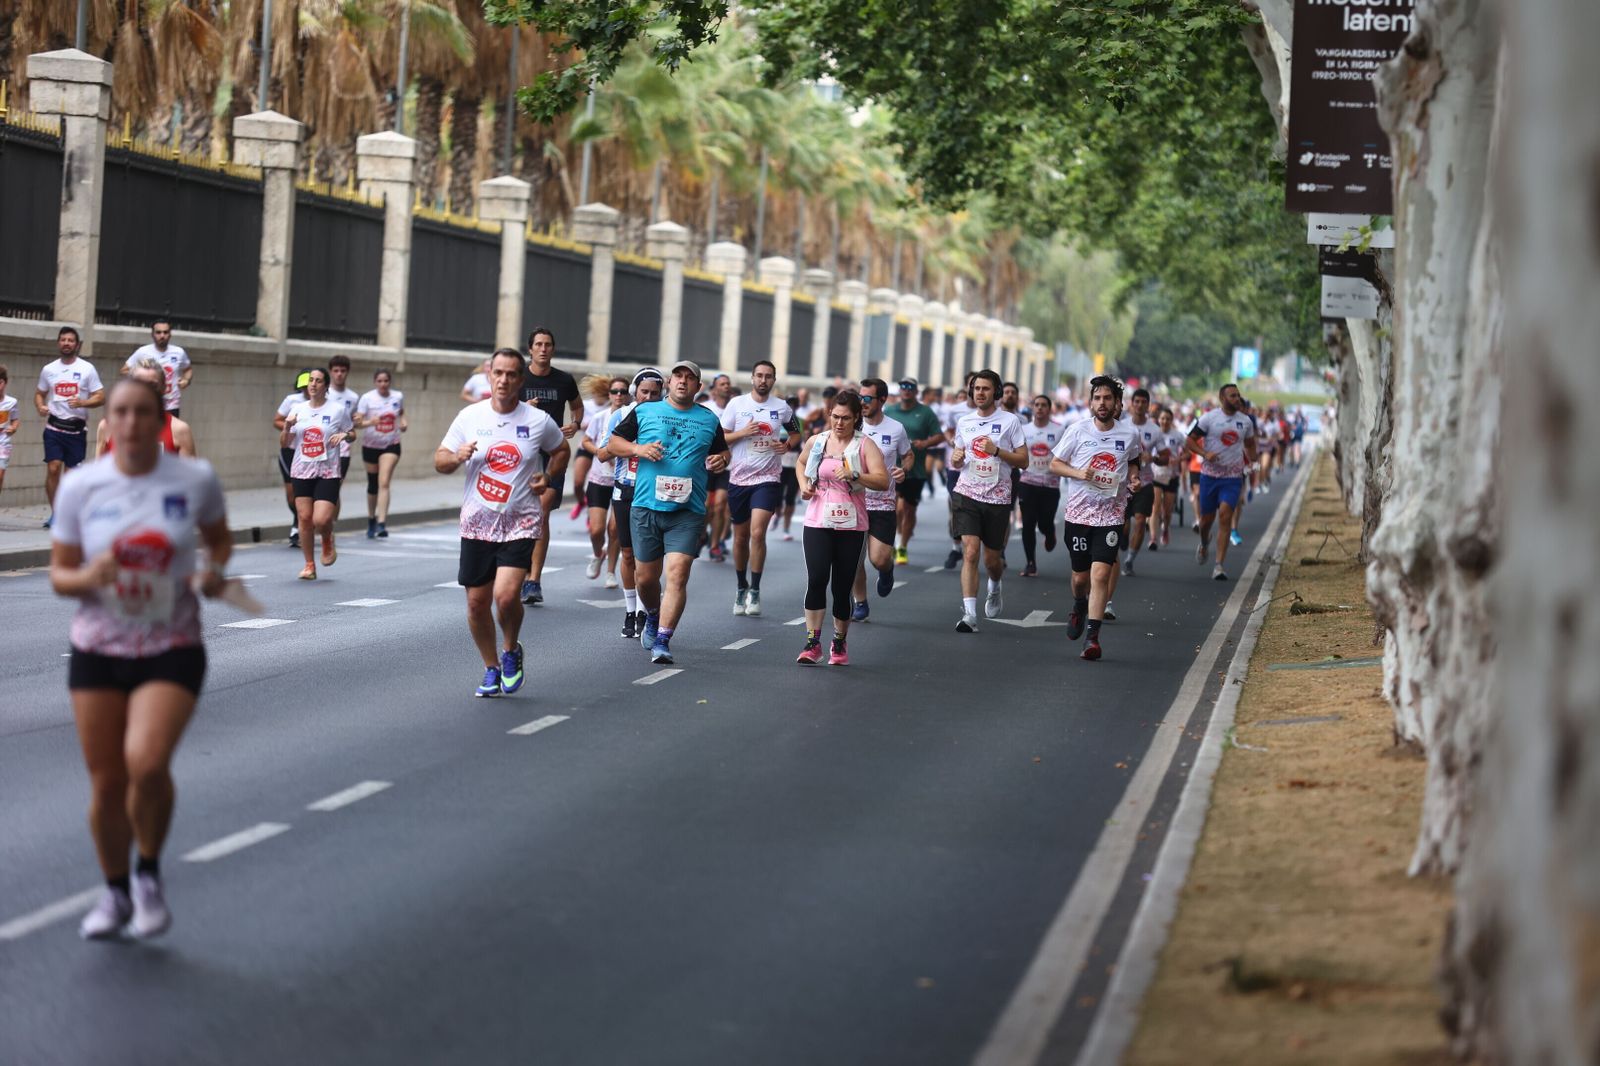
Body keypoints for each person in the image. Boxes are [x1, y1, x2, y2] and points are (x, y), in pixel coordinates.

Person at [50, 374, 232, 939]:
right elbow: (60, 574)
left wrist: (213, 573)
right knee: (106, 783)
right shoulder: (83, 486)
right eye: (120, 413)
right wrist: (89, 575)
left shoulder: (194, 478)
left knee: (146, 764)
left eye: (141, 413)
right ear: (109, 424)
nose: (129, 423)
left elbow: (220, 540)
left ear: (161, 422)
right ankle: (115, 893)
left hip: (171, 644)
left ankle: (148, 876)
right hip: (98, 646)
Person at [435, 348, 568, 696]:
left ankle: (511, 650)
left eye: (511, 374)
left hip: (520, 521)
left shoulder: (537, 421)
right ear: (489, 375)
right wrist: (456, 456)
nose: (504, 380)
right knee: (477, 603)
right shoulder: (469, 416)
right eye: (499, 373)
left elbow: (561, 450)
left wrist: (549, 478)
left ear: (520, 380)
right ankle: (491, 666)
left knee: (507, 596)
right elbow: (440, 459)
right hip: (477, 522)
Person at [603, 360, 731, 665]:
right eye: (678, 376)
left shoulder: (708, 419)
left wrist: (721, 460)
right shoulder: (645, 410)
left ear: (699, 387)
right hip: (646, 505)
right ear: (669, 382)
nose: (683, 382)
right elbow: (614, 443)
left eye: (690, 378)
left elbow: (722, 451)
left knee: (677, 574)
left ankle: (663, 638)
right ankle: (654, 614)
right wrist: (638, 449)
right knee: (646, 579)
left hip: (687, 511)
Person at [1049, 375, 1143, 660]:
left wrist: (1135, 479)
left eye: (1107, 398)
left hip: (1112, 515)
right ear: (1090, 403)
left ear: (1116, 404)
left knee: (1100, 574)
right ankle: (1079, 604)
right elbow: (1054, 464)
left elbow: (1134, 461)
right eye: (1097, 398)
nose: (1102, 403)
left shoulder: (1129, 435)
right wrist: (1079, 473)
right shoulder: (1077, 431)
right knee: (1080, 578)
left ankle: (1092, 637)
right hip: (1079, 514)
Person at [796, 390, 890, 664]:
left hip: (851, 524)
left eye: (846, 418)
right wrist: (804, 485)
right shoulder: (818, 441)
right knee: (816, 579)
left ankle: (839, 642)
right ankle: (813, 643)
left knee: (841, 586)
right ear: (829, 415)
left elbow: (883, 481)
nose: (839, 423)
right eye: (835, 417)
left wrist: (856, 474)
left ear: (856, 418)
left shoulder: (865, 445)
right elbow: (801, 463)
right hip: (817, 520)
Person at [948, 369, 1027, 632]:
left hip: (997, 497)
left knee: (992, 560)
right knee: (970, 552)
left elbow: (1023, 461)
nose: (980, 393)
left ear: (996, 392)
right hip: (967, 493)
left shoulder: (1010, 421)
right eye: (976, 388)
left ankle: (995, 585)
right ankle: (970, 615)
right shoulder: (965, 422)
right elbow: (958, 457)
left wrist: (998, 451)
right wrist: (957, 460)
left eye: (985, 388)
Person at [720, 360, 799, 618]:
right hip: (739, 479)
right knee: (740, 537)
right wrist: (743, 432)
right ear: (752, 378)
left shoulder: (781, 407)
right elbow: (721, 438)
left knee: (757, 533)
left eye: (768, 377)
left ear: (773, 380)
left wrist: (786, 446)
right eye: (759, 376)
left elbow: (796, 432)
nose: (763, 380)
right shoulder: (737, 405)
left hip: (767, 479)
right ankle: (741, 586)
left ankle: (755, 589)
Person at [597, 368, 664, 639]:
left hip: (655, 493)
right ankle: (630, 611)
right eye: (644, 392)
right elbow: (603, 452)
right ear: (635, 391)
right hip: (625, 490)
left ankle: (647, 613)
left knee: (647, 559)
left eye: (654, 393)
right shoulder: (621, 415)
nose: (648, 397)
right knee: (627, 554)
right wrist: (633, 446)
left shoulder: (666, 414)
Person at [517, 328, 582, 605]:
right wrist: (523, 406)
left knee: (541, 513)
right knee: (523, 515)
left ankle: (533, 581)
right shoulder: (519, 377)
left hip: (554, 452)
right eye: (538, 345)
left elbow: (577, 407)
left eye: (548, 345)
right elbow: (500, 407)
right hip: (524, 453)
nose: (543, 349)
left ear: (553, 349)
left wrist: (575, 424)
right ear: (530, 349)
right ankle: (518, 573)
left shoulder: (564, 380)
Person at [280, 367, 354, 580]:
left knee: (320, 519)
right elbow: (286, 443)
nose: (313, 384)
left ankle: (327, 537)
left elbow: (352, 433)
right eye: (311, 380)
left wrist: (344, 436)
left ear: (326, 385)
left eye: (318, 381)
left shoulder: (338, 410)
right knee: (304, 518)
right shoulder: (298, 409)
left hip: (328, 469)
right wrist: (286, 427)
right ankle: (309, 565)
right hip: (302, 469)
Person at [849, 379, 911, 621]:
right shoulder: (851, 426)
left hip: (883, 502)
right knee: (854, 558)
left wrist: (903, 469)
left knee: (879, 558)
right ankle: (860, 601)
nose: (862, 403)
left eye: (867, 398)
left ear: (882, 400)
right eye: (860, 397)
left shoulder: (895, 429)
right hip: (854, 499)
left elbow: (908, 454)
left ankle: (887, 570)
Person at [1186, 383, 1257, 581]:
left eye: (1238, 395)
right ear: (1222, 398)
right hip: (1209, 477)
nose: (1237, 398)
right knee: (1206, 521)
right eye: (1233, 396)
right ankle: (1204, 542)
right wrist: (1204, 453)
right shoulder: (1209, 418)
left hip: (1232, 478)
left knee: (1225, 516)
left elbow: (1251, 445)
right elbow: (1189, 440)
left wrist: (1254, 462)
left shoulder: (1246, 421)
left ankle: (1219, 565)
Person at [35, 326, 105, 528]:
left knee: (70, 477)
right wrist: (40, 405)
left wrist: (83, 403)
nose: (66, 343)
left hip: (76, 430)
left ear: (77, 345)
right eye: (63, 339)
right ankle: (56, 513)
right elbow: (39, 393)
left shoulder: (86, 369)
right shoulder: (49, 370)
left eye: (70, 340)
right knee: (53, 467)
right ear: (58, 343)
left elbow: (101, 396)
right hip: (54, 427)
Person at [883, 377, 945, 565]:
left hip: (915, 469)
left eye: (910, 387)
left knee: (908, 509)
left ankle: (903, 546)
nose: (906, 390)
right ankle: (894, 541)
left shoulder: (925, 413)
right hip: (892, 468)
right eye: (903, 386)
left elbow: (940, 436)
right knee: (894, 507)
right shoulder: (890, 410)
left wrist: (925, 443)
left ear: (916, 391)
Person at [579, 374, 628, 587]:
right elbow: (586, 440)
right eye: (614, 391)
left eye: (622, 392)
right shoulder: (600, 417)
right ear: (609, 394)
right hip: (599, 479)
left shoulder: (633, 417)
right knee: (596, 530)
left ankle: (610, 573)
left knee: (615, 529)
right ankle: (598, 553)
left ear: (628, 395)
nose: (618, 395)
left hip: (622, 480)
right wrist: (601, 451)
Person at [97, 358, 196, 458]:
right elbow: (98, 471)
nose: (146, 391)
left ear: (164, 388)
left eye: (153, 385)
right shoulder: (106, 426)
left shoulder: (179, 430)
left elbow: (190, 473)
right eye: (139, 384)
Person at [1017, 393, 1064, 577]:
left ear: (1049, 408)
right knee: (1028, 522)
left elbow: (1066, 455)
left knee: (1044, 522)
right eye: (1037, 404)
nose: (1040, 408)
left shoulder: (1059, 430)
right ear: (1032, 407)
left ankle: (1049, 532)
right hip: (1027, 482)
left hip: (1050, 485)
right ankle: (1030, 562)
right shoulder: (1024, 429)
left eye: (1044, 405)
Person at [357, 368, 406, 538]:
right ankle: (371, 518)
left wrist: (404, 422)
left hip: (391, 445)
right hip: (370, 445)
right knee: (372, 485)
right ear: (375, 382)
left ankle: (382, 523)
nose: (383, 384)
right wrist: (371, 421)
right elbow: (358, 423)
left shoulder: (397, 396)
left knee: (383, 482)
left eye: (386, 381)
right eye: (380, 381)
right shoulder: (367, 398)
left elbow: (401, 412)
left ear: (390, 382)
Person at [1121, 387, 1163, 575]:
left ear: (1148, 405)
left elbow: (1165, 457)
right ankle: (1123, 538)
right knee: (1123, 525)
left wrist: (1153, 458)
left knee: (1139, 521)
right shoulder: (1121, 425)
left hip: (1145, 482)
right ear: (1131, 404)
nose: (1139, 405)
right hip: (1122, 483)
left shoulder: (1155, 429)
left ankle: (1130, 559)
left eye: (1143, 402)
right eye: (1136, 401)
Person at [274, 369, 313, 550]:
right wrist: (290, 427)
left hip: (309, 454)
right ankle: (298, 519)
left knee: (304, 493)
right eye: (304, 386)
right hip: (290, 451)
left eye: (311, 385)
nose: (308, 389)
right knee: (291, 494)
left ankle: (298, 526)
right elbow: (277, 420)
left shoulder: (322, 404)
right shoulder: (292, 401)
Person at [123, 320, 191, 417]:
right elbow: (124, 370)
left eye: (165, 332)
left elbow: (188, 369)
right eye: (158, 332)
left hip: (171, 405)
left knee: (171, 431)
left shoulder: (179, 352)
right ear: (152, 334)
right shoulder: (142, 352)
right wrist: (141, 373)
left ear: (170, 334)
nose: (162, 336)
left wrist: (186, 380)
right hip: (148, 403)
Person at [701, 373, 734, 560]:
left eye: (728, 384)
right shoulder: (706, 409)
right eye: (722, 384)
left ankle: (715, 546)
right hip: (705, 464)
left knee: (721, 505)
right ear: (714, 389)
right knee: (706, 506)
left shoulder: (736, 408)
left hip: (727, 464)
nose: (726, 386)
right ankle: (702, 533)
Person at [325, 354, 361, 518]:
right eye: (336, 370)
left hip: (343, 452)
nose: (339, 374)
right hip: (322, 450)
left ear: (348, 372)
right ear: (330, 372)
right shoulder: (324, 395)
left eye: (343, 371)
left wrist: (359, 421)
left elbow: (354, 424)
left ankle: (331, 526)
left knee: (334, 489)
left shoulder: (353, 397)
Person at [1149, 406, 1186, 548]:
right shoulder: (1153, 433)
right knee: (1155, 506)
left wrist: (1178, 459)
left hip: (1172, 475)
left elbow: (1188, 453)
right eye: (1163, 418)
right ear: (1158, 419)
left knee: (1167, 510)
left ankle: (1165, 528)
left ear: (1172, 420)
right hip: (1156, 474)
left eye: (1168, 419)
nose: (1165, 421)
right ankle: (1153, 538)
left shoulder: (1177, 435)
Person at [0, 365, 18, 496]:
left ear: (5, 383)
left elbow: (15, 420)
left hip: (3, 442)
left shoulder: (11, 402)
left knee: (0, 476)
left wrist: (14, 428)